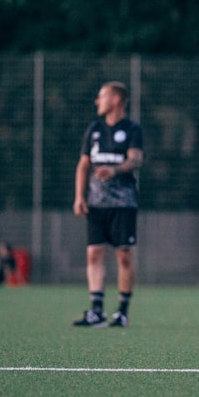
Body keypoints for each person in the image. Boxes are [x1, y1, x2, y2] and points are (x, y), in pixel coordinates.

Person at [72, 81, 144, 328]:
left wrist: (114, 170)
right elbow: (83, 165)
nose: (97, 101)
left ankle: (122, 311)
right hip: (96, 203)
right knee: (94, 253)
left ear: (115, 100)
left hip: (123, 203)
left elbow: (135, 159)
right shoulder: (94, 129)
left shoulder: (132, 129)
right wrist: (79, 197)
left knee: (123, 255)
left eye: (101, 96)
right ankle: (96, 311)